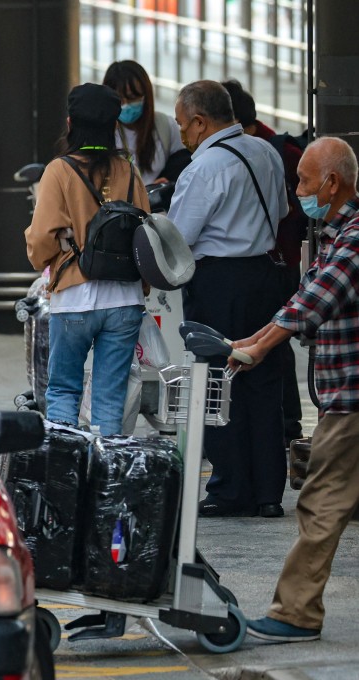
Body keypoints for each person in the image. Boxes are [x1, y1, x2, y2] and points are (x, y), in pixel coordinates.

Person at [227, 137, 359, 643]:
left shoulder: (353, 238)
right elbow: (303, 296)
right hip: (342, 396)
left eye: (304, 180)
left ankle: (296, 613)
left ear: (331, 183)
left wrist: (259, 349)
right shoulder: (334, 232)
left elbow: (313, 305)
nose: (298, 191)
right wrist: (254, 340)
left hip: (351, 400)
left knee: (320, 502)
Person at [167, 80, 289, 518]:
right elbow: (280, 213)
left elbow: (179, 238)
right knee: (263, 380)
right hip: (262, 276)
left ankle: (229, 487)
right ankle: (268, 491)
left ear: (200, 122)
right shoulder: (266, 152)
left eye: (183, 125)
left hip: (218, 281)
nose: (181, 134)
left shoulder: (203, 168)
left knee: (217, 383)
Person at [24, 83, 150, 436]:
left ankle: (67, 477)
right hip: (125, 299)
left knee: (64, 389)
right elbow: (146, 232)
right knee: (110, 399)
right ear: (113, 126)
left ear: (70, 123)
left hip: (76, 297)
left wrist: (43, 252)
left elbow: (41, 240)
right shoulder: (129, 169)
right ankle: (105, 484)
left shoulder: (59, 171)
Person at [222, 78, 309, 447]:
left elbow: (290, 209)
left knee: (274, 343)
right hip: (272, 261)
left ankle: (287, 422)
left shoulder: (279, 152)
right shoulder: (269, 149)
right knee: (269, 343)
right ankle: (281, 424)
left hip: (280, 262)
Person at [103, 60, 188, 185]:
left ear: (146, 95)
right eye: (119, 100)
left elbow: (183, 164)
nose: (125, 105)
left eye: (132, 97)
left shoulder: (165, 126)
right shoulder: (102, 130)